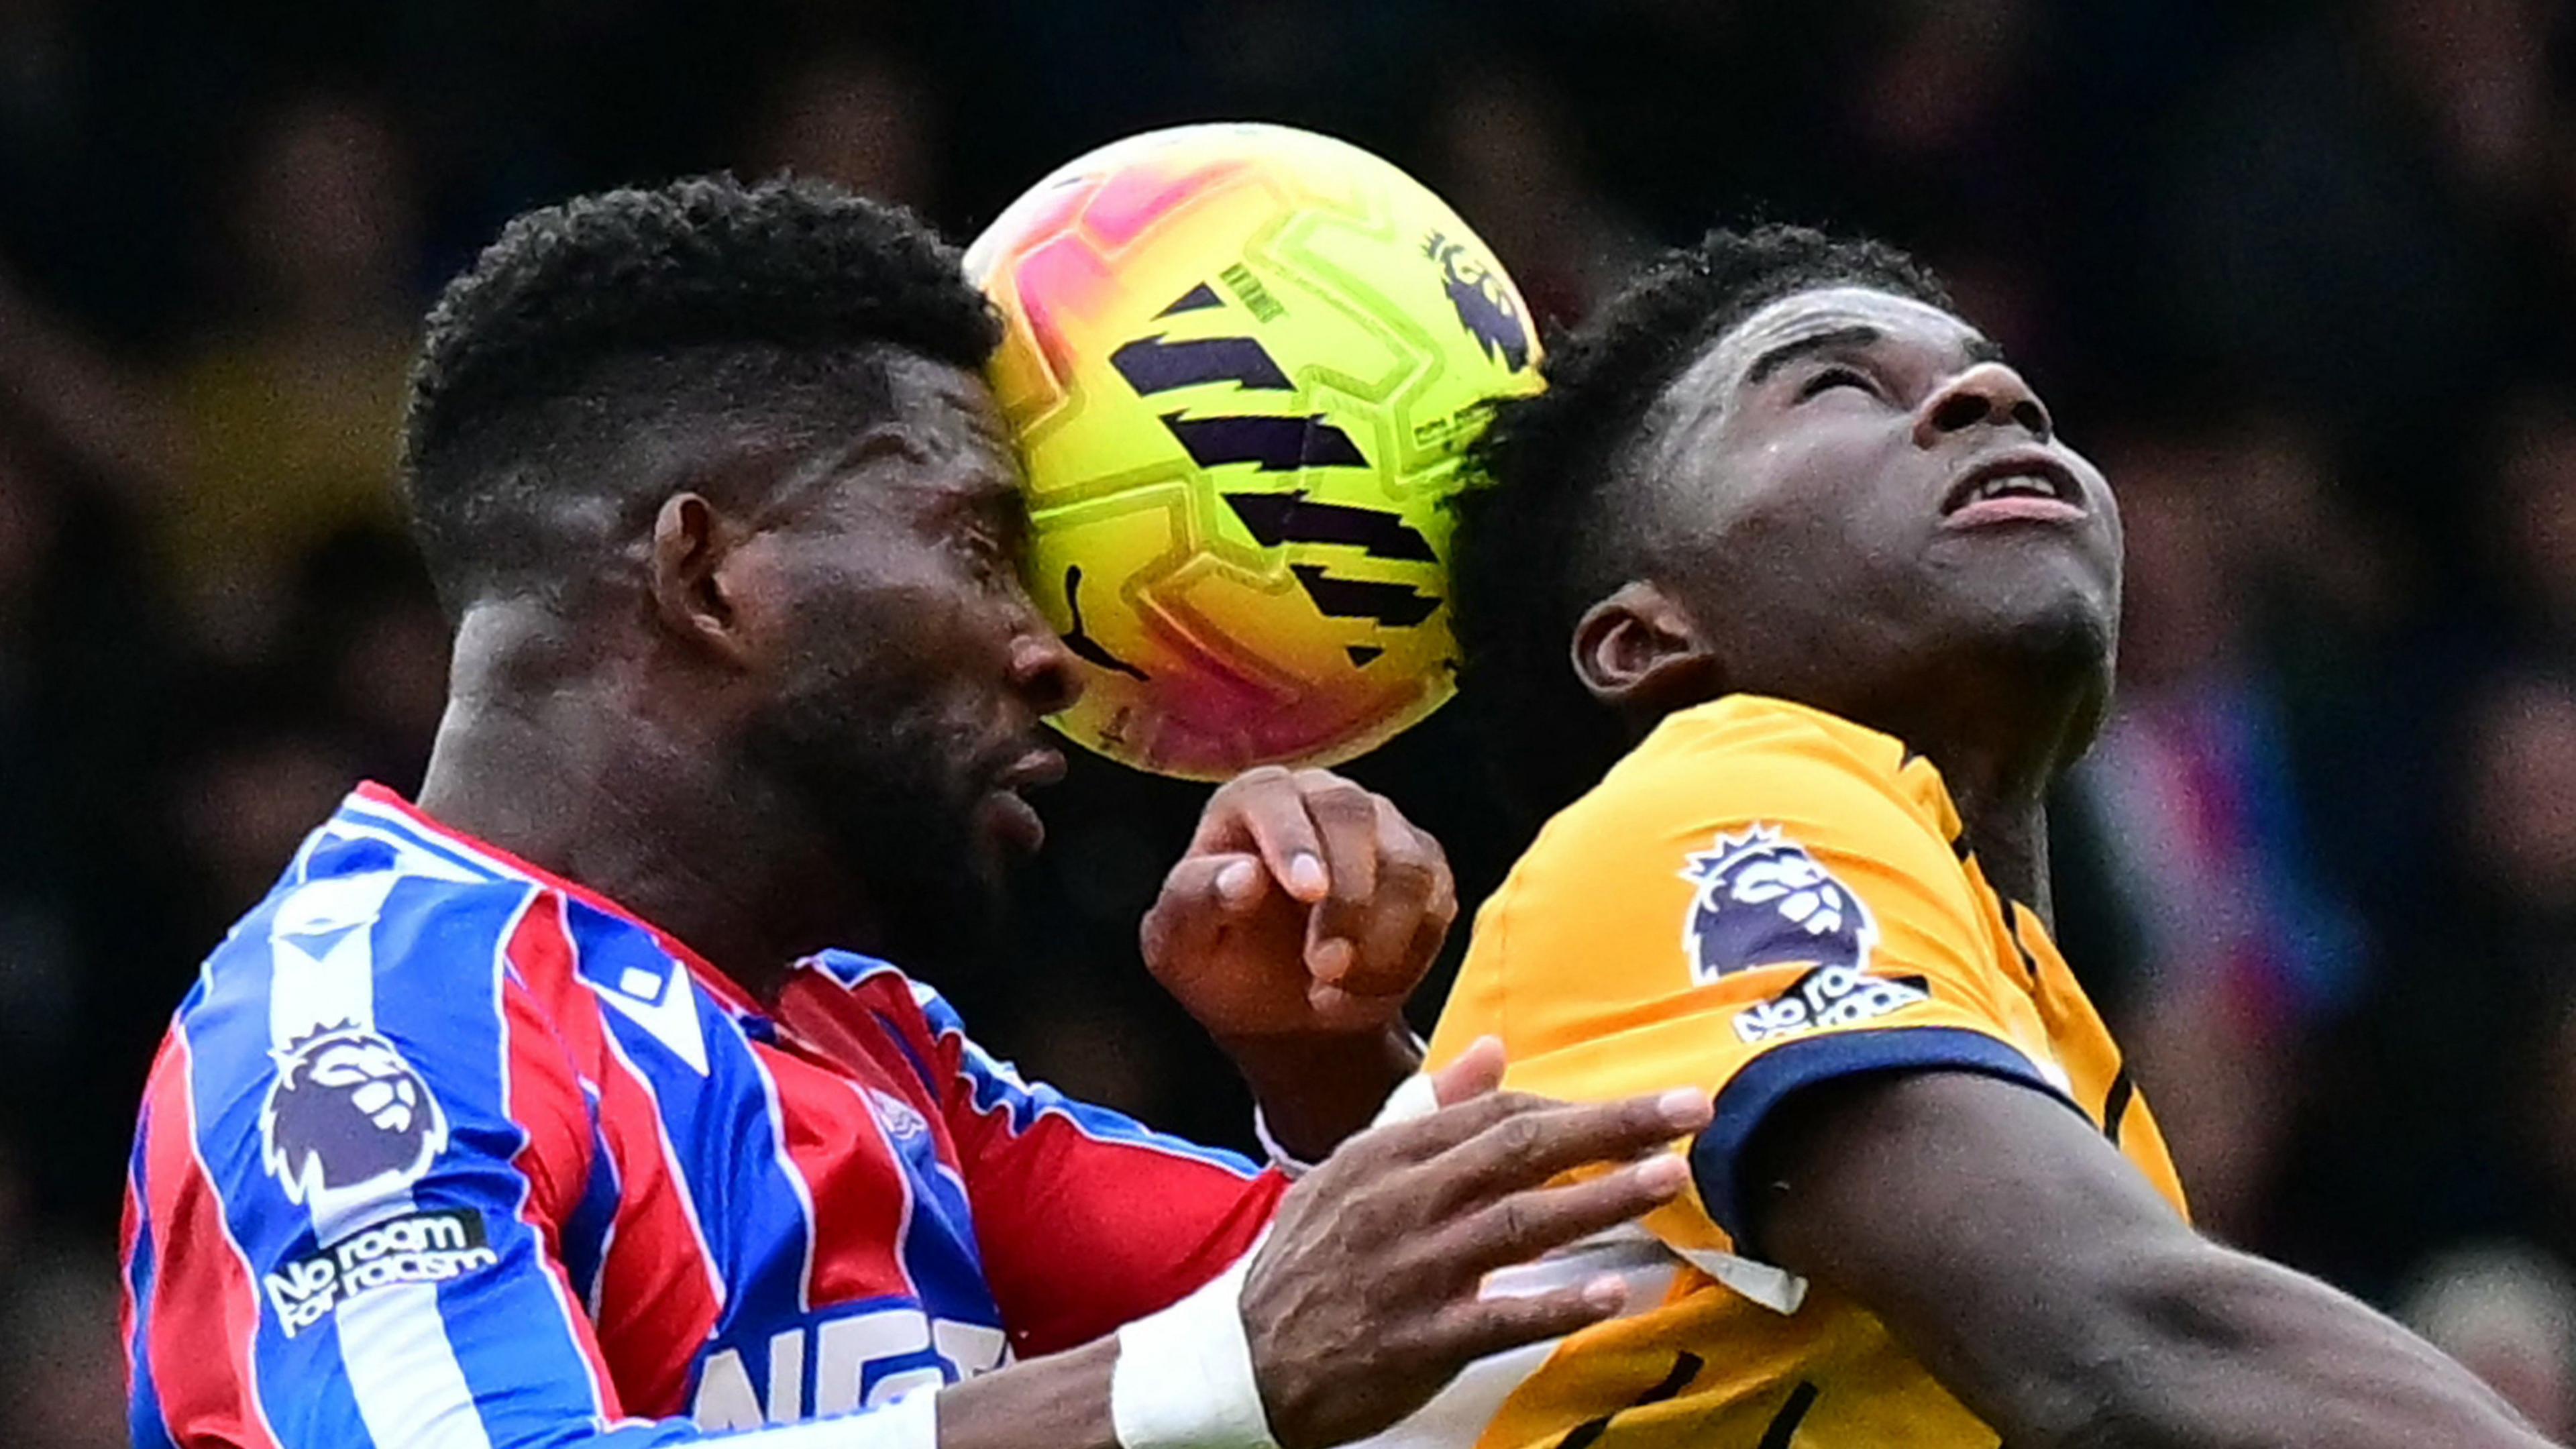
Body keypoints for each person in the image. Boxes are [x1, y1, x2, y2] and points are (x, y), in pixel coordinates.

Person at [118, 176, 1713, 1449]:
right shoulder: (367, 1031)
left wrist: (1322, 1066)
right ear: (706, 575)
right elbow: (1255, 1358)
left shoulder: (873, 1050)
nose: (1051, 651)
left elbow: (1512, 1331)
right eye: (971, 546)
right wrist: (1198, 1383)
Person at [1403, 224, 2555, 1446]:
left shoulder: (2053, 1052)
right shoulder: (1697, 815)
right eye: (1838, 384)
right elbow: (2124, 1341)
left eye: (2005, 377)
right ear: (1648, 637)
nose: (1992, 394)